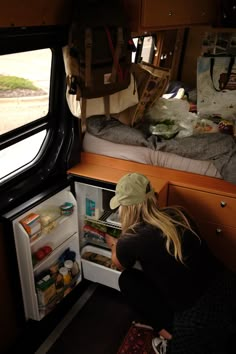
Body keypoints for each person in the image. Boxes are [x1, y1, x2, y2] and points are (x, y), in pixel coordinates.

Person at [105, 172, 236, 354]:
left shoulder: (132, 239)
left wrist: (113, 244)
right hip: (226, 286)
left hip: (196, 315)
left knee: (127, 280)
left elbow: (119, 264)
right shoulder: (177, 213)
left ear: (127, 208)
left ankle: (168, 337)